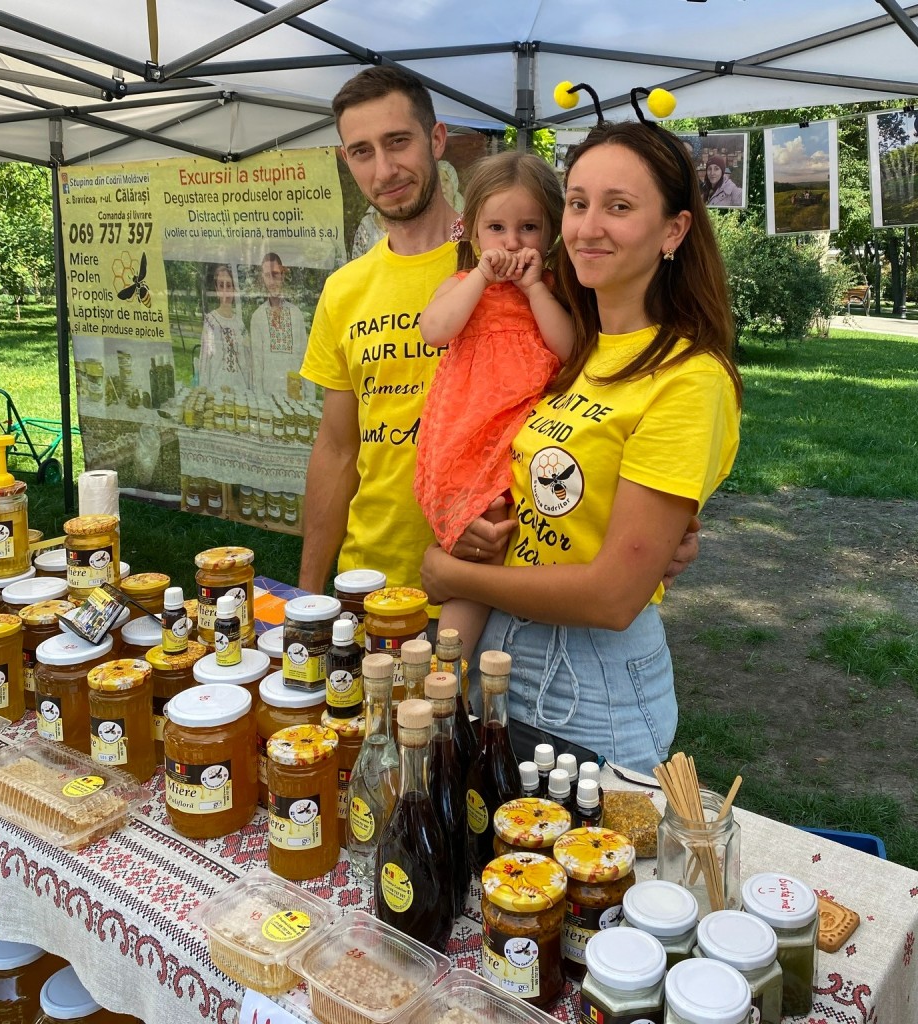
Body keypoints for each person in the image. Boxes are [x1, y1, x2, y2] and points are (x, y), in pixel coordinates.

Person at [299, 66, 699, 608]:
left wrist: (663, 527)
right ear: (347, 161)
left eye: (399, 141)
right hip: (370, 576)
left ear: (437, 139)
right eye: (362, 151)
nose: (385, 168)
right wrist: (306, 593)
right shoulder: (344, 290)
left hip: (506, 562)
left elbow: (616, 390)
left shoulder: (568, 270)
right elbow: (336, 447)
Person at [421, 120, 743, 772]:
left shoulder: (688, 377)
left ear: (674, 231)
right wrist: (488, 532)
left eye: (619, 207)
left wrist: (449, 571)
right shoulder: (576, 349)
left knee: (589, 870)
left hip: (590, 681)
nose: (589, 225)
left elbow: (612, 597)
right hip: (502, 652)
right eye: (577, 202)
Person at [414, 151, 574, 651]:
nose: (512, 242)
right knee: (481, 541)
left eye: (528, 227)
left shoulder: (548, 290)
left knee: (517, 532)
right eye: (497, 228)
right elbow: (434, 332)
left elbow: (568, 349)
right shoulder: (462, 285)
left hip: (525, 435)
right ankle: (449, 664)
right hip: (469, 439)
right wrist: (481, 277)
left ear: (550, 234)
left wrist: (534, 291)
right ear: (471, 232)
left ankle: (491, 644)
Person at [250, 252, 310, 396]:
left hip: (294, 399)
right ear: (263, 278)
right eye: (267, 275)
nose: (272, 281)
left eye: (275, 274)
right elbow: (256, 365)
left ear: (282, 275)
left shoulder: (296, 315)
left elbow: (305, 360)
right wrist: (260, 402)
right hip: (268, 399)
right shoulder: (258, 317)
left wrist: (309, 399)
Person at [198, 264, 252, 391]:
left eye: (229, 285)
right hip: (216, 390)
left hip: (239, 390)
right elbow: (204, 363)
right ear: (216, 290)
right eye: (221, 285)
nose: (225, 291)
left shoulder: (240, 324)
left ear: (234, 289)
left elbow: (247, 361)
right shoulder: (211, 321)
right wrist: (204, 391)